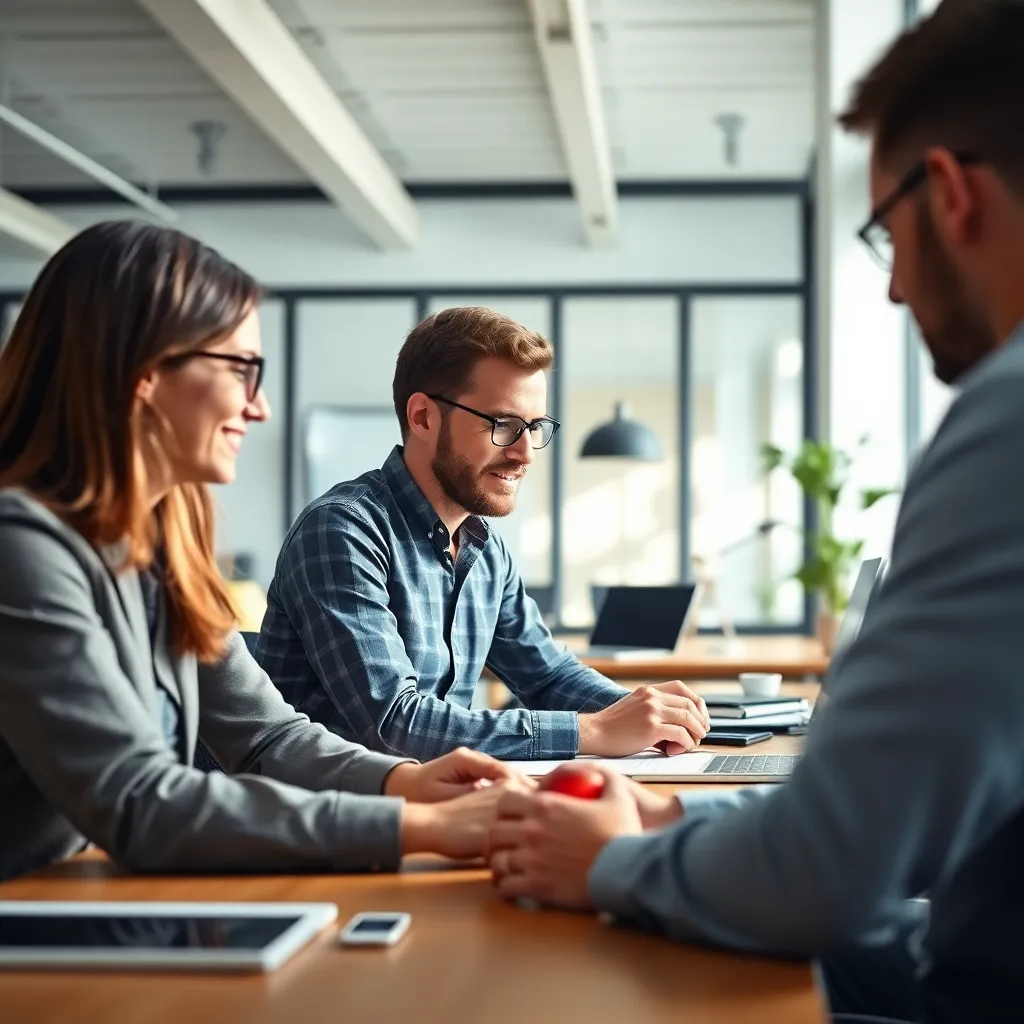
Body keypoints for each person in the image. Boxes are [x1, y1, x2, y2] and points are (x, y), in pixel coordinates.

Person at [487, 3, 1024, 1021]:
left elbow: (825, 869)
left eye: (885, 236)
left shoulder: (1008, 419)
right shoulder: (359, 530)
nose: (894, 290)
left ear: (949, 194)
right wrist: (669, 811)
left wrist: (613, 861)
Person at [0, 220, 527, 884]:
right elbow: (138, 803)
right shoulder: (20, 549)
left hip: (79, 898)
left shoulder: (164, 542)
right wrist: (420, 828)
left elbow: (265, 736)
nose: (261, 408)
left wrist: (404, 782)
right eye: (242, 370)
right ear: (144, 374)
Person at [255, 306, 710, 761]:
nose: (526, 454)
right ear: (423, 417)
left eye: (535, 427)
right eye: (504, 425)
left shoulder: (485, 551)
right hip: (333, 802)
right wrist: (593, 730)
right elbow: (394, 725)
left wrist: (652, 715)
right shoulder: (342, 531)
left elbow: (547, 676)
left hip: (440, 794)